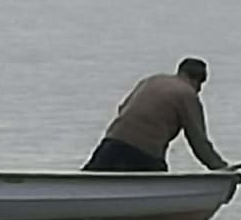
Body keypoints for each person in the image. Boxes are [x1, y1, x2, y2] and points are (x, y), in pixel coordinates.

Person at [82, 57, 227, 172]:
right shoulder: (187, 95)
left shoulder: (151, 80)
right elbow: (198, 141)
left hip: (111, 142)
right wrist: (221, 169)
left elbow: (122, 108)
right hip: (144, 154)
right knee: (160, 183)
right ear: (199, 81)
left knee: (89, 180)